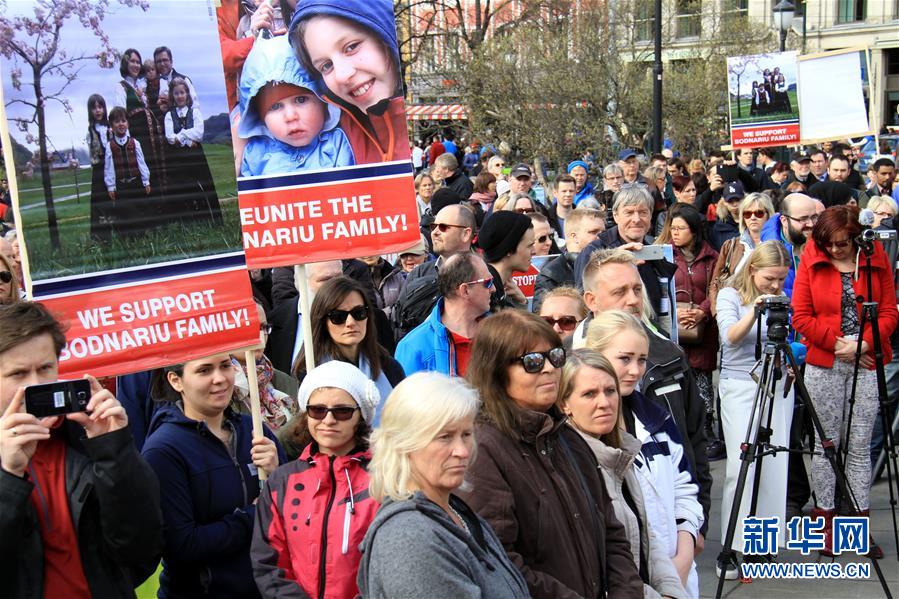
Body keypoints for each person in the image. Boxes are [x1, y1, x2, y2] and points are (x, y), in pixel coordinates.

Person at [460, 310, 643, 598]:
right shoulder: (482, 450)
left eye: (556, 356)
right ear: (496, 371)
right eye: (532, 361)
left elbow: (611, 533)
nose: (548, 368)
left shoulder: (567, 438)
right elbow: (498, 561)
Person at [0, 302, 163, 598]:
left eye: (45, 368)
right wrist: (9, 476)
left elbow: (141, 549)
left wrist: (113, 449)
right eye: (18, 374)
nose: (35, 385)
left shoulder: (86, 432)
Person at [574, 249, 712, 543]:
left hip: (672, 532)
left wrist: (697, 524)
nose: (633, 300)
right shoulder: (564, 362)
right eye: (620, 291)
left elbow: (694, 442)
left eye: (637, 289)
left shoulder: (670, 355)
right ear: (591, 300)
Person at [358, 372, 530, 598]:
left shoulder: (456, 512)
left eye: (466, 434)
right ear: (405, 443)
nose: (462, 451)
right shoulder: (410, 537)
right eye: (445, 437)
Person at [791, 205, 898, 558]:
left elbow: (889, 311)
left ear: (855, 238)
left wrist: (864, 344)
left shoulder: (874, 255)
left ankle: (857, 525)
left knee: (860, 445)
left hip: (865, 358)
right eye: (830, 244)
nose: (835, 249)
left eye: (842, 243)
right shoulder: (812, 256)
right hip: (826, 359)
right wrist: (841, 346)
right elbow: (801, 316)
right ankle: (825, 521)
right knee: (826, 445)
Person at [143, 354, 285, 598]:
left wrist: (279, 474)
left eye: (225, 366)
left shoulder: (255, 431)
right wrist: (254, 516)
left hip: (268, 590)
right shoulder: (163, 450)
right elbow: (183, 545)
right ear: (176, 381)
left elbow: (295, 510)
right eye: (204, 370)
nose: (219, 379)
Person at [583, 311, 703, 598]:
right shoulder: (577, 435)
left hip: (678, 574)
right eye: (625, 359)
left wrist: (685, 551)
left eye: (642, 359)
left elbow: (685, 487)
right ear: (594, 354)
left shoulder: (657, 419)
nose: (636, 370)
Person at [560, 349, 688, 599]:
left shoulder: (621, 453)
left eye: (610, 391)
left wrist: (671, 591)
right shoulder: (570, 468)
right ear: (564, 404)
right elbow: (604, 566)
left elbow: (646, 535)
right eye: (589, 394)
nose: (604, 403)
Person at [253, 361, 380, 598]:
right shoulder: (282, 481)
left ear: (361, 416)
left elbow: (388, 566)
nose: (328, 420)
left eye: (342, 411)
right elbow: (268, 561)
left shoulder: (384, 480)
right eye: (318, 410)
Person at [715, 240, 794, 579]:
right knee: (740, 465)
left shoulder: (781, 297)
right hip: (740, 384)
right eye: (769, 278)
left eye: (781, 279)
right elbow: (729, 337)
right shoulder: (729, 295)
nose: (775, 286)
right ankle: (732, 546)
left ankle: (762, 544)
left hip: (776, 381)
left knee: (774, 464)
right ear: (752, 270)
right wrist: (756, 310)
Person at [289, 0, 411, 163]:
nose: (342, 75)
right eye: (326, 65)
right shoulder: (338, 141)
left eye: (352, 47)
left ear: (384, 34)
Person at [292, 276, 404, 424]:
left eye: (359, 313)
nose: (350, 322)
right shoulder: (309, 370)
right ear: (322, 321)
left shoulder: (389, 367)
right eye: (338, 316)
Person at [238, 36, 353, 176]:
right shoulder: (254, 155)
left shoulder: (337, 145)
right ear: (261, 118)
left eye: (300, 100)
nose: (290, 116)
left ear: (323, 103)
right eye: (275, 107)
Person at [656, 204, 719, 449]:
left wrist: (703, 311)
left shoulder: (711, 257)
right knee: (676, 377)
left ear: (693, 230)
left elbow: (717, 287)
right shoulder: (665, 254)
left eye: (681, 228)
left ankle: (706, 430)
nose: (675, 233)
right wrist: (675, 313)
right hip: (674, 327)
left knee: (702, 379)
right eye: (673, 228)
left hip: (703, 329)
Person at [574, 185, 673, 323]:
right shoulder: (593, 251)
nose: (636, 219)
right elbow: (582, 305)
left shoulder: (654, 254)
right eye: (629, 212)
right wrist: (615, 259)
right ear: (615, 216)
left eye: (643, 212)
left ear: (651, 215)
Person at [395, 251, 492, 377]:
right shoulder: (412, 347)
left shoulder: (499, 333)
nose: (493, 289)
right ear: (465, 290)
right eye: (488, 282)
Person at [163, 77, 223, 225]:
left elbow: (199, 133)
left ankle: (209, 220)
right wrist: (188, 140)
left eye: (182, 93)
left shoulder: (195, 112)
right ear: (172, 96)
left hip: (195, 155)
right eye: (176, 93)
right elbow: (170, 137)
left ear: (187, 94)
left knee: (203, 185)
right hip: (178, 156)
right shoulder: (169, 115)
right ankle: (187, 221)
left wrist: (182, 135)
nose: (180, 96)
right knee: (182, 187)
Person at [708, 192, 774, 315]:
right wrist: (718, 313)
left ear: (768, 215)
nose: (753, 217)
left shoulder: (778, 246)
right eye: (747, 214)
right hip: (734, 314)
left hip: (768, 313)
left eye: (759, 213)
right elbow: (715, 283)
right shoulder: (731, 245)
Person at [115, 49, 164, 204]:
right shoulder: (121, 87)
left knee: (155, 169)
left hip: (151, 138)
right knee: (143, 171)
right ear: (125, 64)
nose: (136, 65)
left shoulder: (142, 86)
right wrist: (128, 143)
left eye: (138, 62)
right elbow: (121, 116)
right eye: (132, 61)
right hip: (137, 138)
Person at [534, 208, 604, 307]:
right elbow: (543, 314)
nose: (601, 237)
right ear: (575, 237)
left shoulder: (607, 265)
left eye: (603, 232)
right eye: (593, 232)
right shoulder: (551, 274)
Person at [103, 106, 152, 238]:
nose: (121, 124)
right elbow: (109, 168)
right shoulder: (110, 146)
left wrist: (146, 181)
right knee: (124, 212)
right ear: (111, 126)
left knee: (139, 209)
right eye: (117, 121)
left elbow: (141, 163)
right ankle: (127, 238)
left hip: (136, 183)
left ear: (128, 123)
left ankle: (141, 235)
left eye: (123, 121)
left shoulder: (135, 143)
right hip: (121, 185)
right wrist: (111, 186)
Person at [759, 192, 818, 298]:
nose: (811, 224)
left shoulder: (825, 245)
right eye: (803, 219)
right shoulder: (766, 252)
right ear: (784, 221)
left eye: (814, 217)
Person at [477, 211, 534, 309]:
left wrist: (522, 302)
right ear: (509, 249)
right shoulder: (486, 292)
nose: (534, 251)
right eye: (529, 246)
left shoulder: (502, 288)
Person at [375, 236, 429, 318]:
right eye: (404, 255)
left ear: (426, 254)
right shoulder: (392, 277)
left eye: (415, 254)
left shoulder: (438, 274)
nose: (409, 258)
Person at [86, 94, 112, 243]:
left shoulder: (110, 127)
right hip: (99, 170)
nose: (98, 110)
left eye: (100, 107)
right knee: (100, 203)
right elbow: (93, 155)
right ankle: (101, 237)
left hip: (112, 167)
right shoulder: (90, 132)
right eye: (94, 108)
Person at [709, 182, 743, 251]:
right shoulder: (719, 226)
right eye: (730, 201)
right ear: (724, 202)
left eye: (737, 200)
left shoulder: (752, 219)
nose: (734, 204)